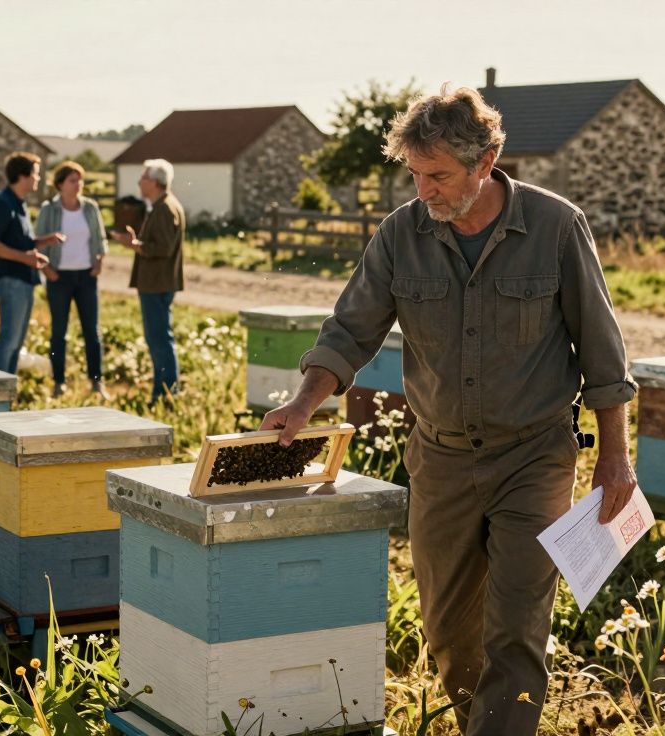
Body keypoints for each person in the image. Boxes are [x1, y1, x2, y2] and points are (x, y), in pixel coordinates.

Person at [261, 86, 638, 736]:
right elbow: (350, 330)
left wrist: (616, 458)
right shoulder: (400, 234)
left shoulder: (555, 227)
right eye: (414, 173)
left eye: (437, 175)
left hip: (534, 457)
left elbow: (605, 357)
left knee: (516, 631)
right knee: (446, 633)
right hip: (437, 460)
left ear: (486, 160)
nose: (423, 189)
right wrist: (302, 404)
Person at [112, 158, 185, 405]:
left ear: (154, 182)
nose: (139, 182)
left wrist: (134, 245)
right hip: (158, 282)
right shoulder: (163, 205)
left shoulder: (164, 208)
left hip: (157, 283)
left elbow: (162, 248)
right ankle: (164, 392)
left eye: (142, 178)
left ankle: (164, 395)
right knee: (159, 338)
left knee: (159, 340)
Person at [0, 151, 57, 374]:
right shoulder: (2, 204)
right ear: (23, 176)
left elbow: (18, 241)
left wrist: (42, 242)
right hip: (10, 281)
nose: (38, 179)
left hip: (23, 280)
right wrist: (27, 258)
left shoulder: (18, 204)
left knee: (16, 344)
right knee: (8, 341)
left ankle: (5, 395)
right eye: (36, 174)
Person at [35, 161, 109, 398]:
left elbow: (100, 239)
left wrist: (99, 261)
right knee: (59, 331)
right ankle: (58, 382)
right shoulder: (49, 210)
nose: (78, 185)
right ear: (60, 184)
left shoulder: (90, 208)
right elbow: (38, 242)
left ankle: (97, 381)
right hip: (59, 277)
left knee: (92, 330)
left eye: (80, 180)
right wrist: (48, 271)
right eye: (72, 181)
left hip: (86, 276)